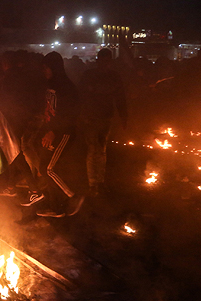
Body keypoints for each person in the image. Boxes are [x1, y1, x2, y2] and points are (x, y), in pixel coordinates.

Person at [20, 51, 85, 218]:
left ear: (54, 67)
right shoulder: (50, 85)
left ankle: (74, 196)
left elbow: (70, 114)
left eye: (46, 67)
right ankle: (56, 207)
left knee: (49, 169)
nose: (44, 71)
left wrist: (53, 132)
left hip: (63, 133)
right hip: (52, 132)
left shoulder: (66, 87)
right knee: (45, 166)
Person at [78, 48, 128, 196]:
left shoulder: (114, 76)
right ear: (99, 60)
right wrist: (82, 115)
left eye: (107, 61)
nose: (105, 63)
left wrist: (124, 117)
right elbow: (81, 96)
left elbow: (120, 98)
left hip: (106, 118)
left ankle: (99, 182)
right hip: (91, 118)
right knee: (94, 150)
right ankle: (93, 183)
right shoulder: (89, 75)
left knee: (101, 149)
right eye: (103, 60)